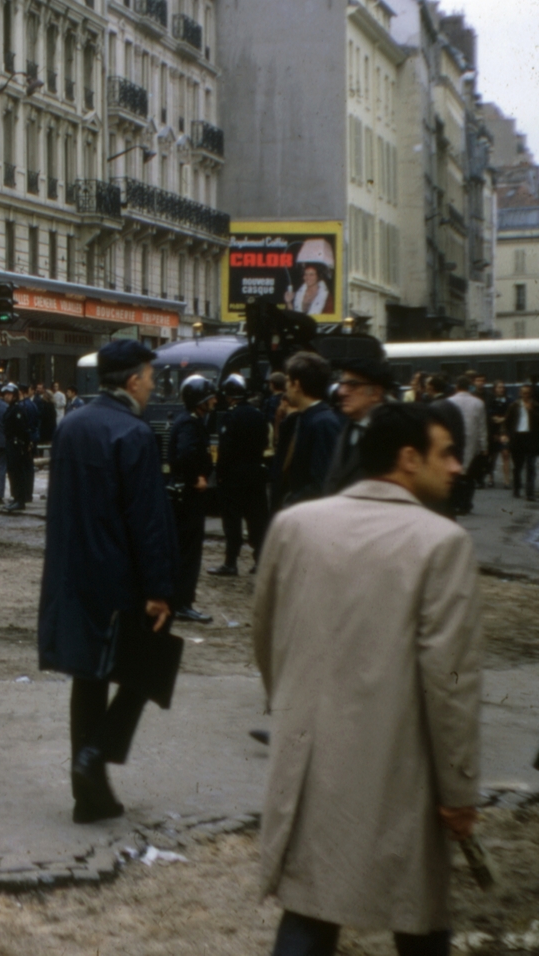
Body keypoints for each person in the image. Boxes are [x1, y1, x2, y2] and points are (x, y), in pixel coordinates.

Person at [253, 403, 479, 955]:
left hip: (310, 759)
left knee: (310, 908)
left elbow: (266, 638)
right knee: (418, 917)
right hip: (403, 767)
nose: (457, 467)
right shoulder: (442, 542)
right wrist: (458, 790)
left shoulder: (295, 524)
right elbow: (449, 680)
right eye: (446, 452)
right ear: (408, 459)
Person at [38, 340, 175, 824]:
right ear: (133, 380)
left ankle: (89, 795)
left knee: (89, 677)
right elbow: (149, 521)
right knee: (149, 665)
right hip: (119, 576)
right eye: (151, 377)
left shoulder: (72, 425)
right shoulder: (134, 433)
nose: (155, 386)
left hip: (73, 571)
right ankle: (94, 757)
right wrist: (160, 589)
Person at [210, 374, 270, 577]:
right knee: (257, 518)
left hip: (234, 475)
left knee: (232, 520)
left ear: (229, 396)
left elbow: (226, 449)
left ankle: (230, 562)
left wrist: (219, 473)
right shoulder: (258, 414)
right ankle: (260, 560)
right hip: (255, 471)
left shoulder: (231, 416)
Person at [168, 376, 215, 624]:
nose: (213, 401)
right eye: (209, 398)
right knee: (188, 552)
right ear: (199, 401)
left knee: (185, 550)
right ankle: (182, 604)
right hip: (188, 497)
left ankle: (180, 601)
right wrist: (196, 477)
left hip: (184, 496)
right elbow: (185, 453)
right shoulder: (190, 424)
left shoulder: (191, 421)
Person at [274, 352, 343, 509]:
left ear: (296, 385)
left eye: (287, 381)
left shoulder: (323, 423)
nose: (285, 388)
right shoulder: (305, 418)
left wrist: (289, 504)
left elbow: (322, 483)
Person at [322, 358, 392, 496]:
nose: (341, 392)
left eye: (352, 385)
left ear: (375, 393)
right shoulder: (348, 427)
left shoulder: (393, 434)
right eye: (342, 384)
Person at [446, 377, 486, 516]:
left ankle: (456, 502)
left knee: (455, 472)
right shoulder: (478, 403)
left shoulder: (449, 402)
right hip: (472, 441)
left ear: (457, 387)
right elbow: (482, 426)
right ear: (469, 387)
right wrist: (484, 446)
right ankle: (466, 503)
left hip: (454, 440)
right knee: (469, 474)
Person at [2, 383, 39, 511]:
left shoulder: (18, 409)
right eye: (5, 394)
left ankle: (20, 500)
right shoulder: (11, 408)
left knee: (18, 473)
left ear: (15, 396)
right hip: (11, 444)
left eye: (9, 394)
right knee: (12, 472)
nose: (6, 397)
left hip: (17, 445)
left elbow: (23, 429)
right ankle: (16, 498)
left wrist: (26, 444)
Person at [509, 384, 536, 501]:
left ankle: (529, 492)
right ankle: (516, 488)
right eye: (524, 393)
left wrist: (532, 411)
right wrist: (505, 434)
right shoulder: (514, 406)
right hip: (518, 437)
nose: (526, 396)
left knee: (531, 466)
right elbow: (507, 421)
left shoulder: (535, 405)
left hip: (530, 438)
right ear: (520, 394)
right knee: (518, 466)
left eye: (528, 393)